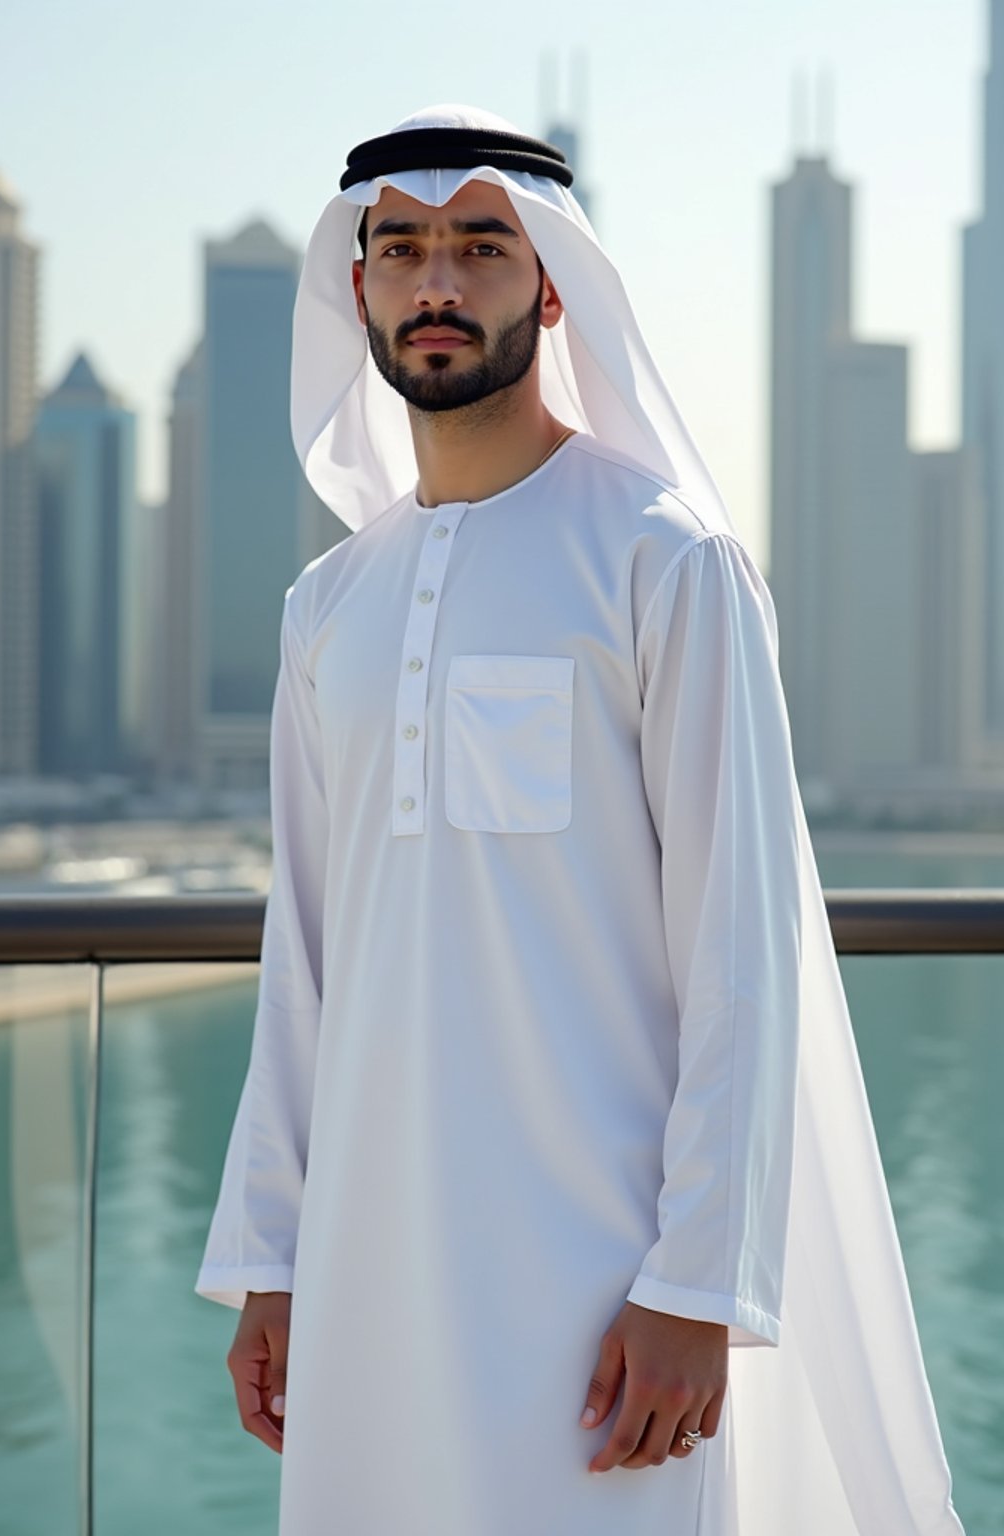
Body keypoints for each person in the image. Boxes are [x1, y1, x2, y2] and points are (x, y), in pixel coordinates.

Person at [196, 105, 964, 1535]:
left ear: (550, 286)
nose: (437, 284)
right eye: (403, 249)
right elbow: (301, 967)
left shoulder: (669, 562)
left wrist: (695, 1283)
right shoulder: (329, 609)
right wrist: (271, 1261)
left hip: (604, 1286)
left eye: (480, 247)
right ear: (355, 287)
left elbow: (744, 948)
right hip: (366, 1271)